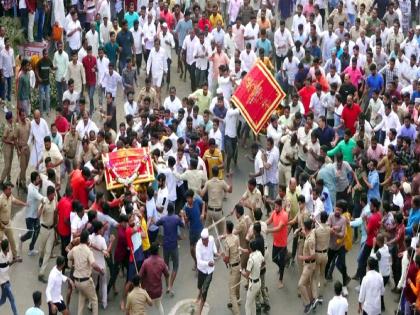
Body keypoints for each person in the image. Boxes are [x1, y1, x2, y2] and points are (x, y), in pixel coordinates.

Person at [67, 229, 104, 315]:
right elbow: (94, 265)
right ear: (87, 239)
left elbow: (69, 256)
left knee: (81, 299)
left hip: (77, 282)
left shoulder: (75, 249)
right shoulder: (88, 251)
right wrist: (101, 271)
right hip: (86, 281)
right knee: (94, 300)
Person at [156, 203, 185, 296]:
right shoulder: (176, 218)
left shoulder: (164, 219)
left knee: (166, 266)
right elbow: (183, 225)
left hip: (165, 246)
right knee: (175, 266)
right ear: (173, 209)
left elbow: (157, 223)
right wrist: (183, 216)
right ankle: (170, 285)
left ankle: (167, 284)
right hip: (174, 245)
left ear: (167, 210)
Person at [139, 244, 169, 315]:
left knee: (145, 308)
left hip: (148, 292)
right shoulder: (162, 262)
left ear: (150, 251)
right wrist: (167, 286)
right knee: (159, 305)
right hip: (158, 291)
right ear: (158, 251)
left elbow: (139, 276)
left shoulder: (146, 262)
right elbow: (167, 275)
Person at [0, 182, 27, 263]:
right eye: (9, 189)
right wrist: (1, 225)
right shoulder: (0, 200)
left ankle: (15, 257)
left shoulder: (10, 196)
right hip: (1, 226)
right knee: (1, 244)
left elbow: (15, 201)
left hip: (8, 224)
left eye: (10, 189)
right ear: (4, 190)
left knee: (12, 241)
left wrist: (24, 204)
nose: (10, 190)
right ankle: (1, 260)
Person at [195, 228, 219, 315]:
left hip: (210, 271)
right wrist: (207, 263)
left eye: (207, 240)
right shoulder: (198, 245)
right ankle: (199, 294)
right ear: (202, 240)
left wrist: (216, 253)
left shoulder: (211, 239)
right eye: (205, 241)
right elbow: (199, 261)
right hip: (201, 269)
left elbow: (213, 247)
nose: (207, 242)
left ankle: (199, 312)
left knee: (204, 290)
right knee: (200, 286)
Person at [266, 199, 288, 288]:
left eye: (276, 207)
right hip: (275, 242)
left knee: (281, 262)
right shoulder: (275, 212)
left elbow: (279, 228)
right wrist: (262, 224)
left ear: (280, 206)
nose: (275, 208)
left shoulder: (284, 215)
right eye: (274, 206)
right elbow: (269, 220)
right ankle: (283, 264)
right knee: (274, 259)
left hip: (282, 243)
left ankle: (280, 280)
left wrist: (268, 230)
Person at [37, 186, 57, 283]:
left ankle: (41, 273)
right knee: (42, 249)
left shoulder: (54, 199)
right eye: (53, 194)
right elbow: (38, 215)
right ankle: (40, 257)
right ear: (50, 194)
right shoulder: (43, 202)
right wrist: (41, 206)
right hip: (44, 229)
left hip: (52, 229)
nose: (54, 195)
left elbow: (55, 211)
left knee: (48, 252)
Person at [298, 218, 317, 313]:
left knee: (301, 284)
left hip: (309, 265)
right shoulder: (311, 232)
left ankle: (307, 303)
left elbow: (313, 255)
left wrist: (303, 258)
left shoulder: (310, 240)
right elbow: (312, 228)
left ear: (306, 227)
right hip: (308, 264)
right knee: (307, 284)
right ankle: (312, 300)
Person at [241, 239, 264, 315]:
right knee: (253, 302)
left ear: (250, 248)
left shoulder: (251, 260)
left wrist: (241, 271)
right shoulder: (259, 253)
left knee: (247, 305)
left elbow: (246, 275)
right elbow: (263, 263)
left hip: (253, 284)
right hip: (258, 282)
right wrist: (257, 269)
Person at [223, 220, 241, 315]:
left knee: (232, 290)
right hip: (239, 264)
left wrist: (224, 259)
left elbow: (226, 257)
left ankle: (237, 312)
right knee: (237, 285)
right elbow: (238, 249)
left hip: (233, 267)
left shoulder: (227, 242)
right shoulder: (236, 238)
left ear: (227, 229)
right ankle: (238, 300)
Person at [0, 239, 18, 315]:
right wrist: (15, 261)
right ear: (6, 248)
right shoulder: (1, 258)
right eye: (8, 246)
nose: (9, 246)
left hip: (6, 280)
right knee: (12, 299)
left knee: (3, 300)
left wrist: (15, 260)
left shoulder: (6, 254)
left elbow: (7, 264)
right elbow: (4, 269)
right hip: (4, 283)